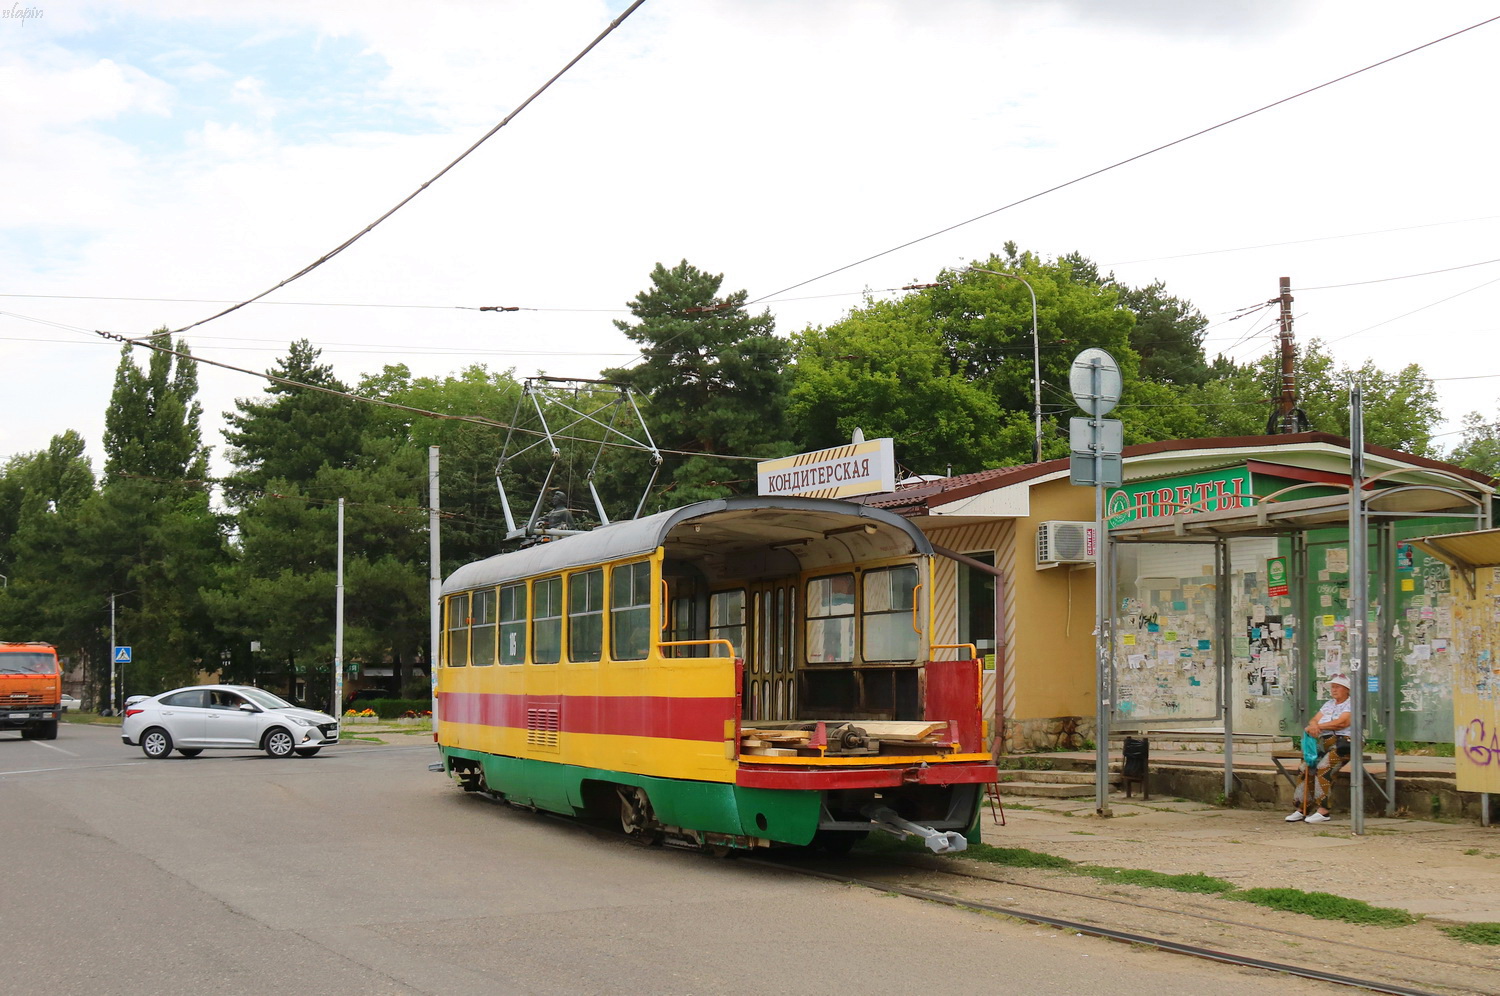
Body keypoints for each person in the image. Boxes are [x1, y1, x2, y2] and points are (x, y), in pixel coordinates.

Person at [1286, 674, 1353, 824]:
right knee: (1306, 767)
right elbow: (1314, 719)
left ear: (1347, 689)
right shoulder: (1329, 704)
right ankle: (1302, 808)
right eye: (1332, 687)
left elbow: (1342, 723)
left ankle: (1323, 810)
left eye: (1337, 687)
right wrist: (1313, 725)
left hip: (1344, 743)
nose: (1333, 690)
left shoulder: (1351, 704)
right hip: (1325, 741)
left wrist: (1318, 726)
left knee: (1323, 767)